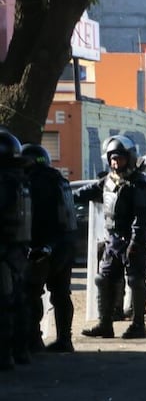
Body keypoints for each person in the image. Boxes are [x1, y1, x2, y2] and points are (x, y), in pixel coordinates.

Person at [75, 135, 146, 339]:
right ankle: (105, 324)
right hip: (114, 239)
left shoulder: (138, 183)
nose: (116, 163)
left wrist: (135, 242)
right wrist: (63, 193)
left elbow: (142, 216)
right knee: (104, 279)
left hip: (134, 239)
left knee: (135, 280)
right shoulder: (108, 180)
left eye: (120, 158)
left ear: (130, 158)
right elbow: (85, 192)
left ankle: (139, 325)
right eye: (112, 159)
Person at [21, 143, 77, 353]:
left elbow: (35, 217)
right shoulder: (59, 179)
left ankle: (34, 339)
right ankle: (65, 339)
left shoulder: (34, 182)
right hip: (65, 245)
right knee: (61, 294)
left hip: (44, 246)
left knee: (32, 292)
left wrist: (35, 246)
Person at [0, 130, 32, 368]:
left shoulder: (5, 183)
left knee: (5, 304)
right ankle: (20, 351)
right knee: (17, 300)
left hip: (5, 249)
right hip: (18, 249)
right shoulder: (20, 180)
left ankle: (5, 355)